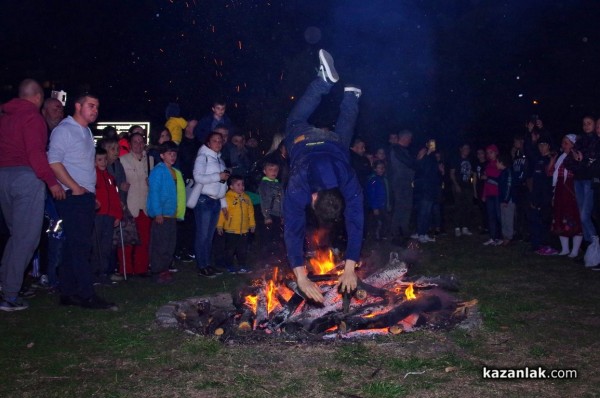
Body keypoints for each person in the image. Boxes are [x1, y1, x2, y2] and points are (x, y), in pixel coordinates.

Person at [283, 49, 363, 303]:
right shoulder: (299, 186)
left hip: (334, 143)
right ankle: (324, 82)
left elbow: (356, 219)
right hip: (303, 140)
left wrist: (350, 267)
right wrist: (301, 276)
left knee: (344, 139)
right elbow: (292, 230)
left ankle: (350, 95)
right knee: (294, 119)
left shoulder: (347, 179)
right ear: (315, 198)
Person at [0, 79, 65, 311]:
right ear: (38, 97)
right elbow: (35, 153)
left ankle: (6, 285)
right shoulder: (33, 118)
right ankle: (9, 295)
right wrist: (51, 183)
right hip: (26, 179)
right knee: (27, 239)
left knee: (16, 235)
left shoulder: (5, 116)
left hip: (3, 178)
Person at [48, 93, 116, 309]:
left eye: (97, 106)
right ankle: (87, 294)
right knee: (81, 246)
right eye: (91, 105)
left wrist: (91, 195)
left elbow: (85, 166)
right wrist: (75, 187)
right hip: (72, 196)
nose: (95, 110)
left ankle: (67, 293)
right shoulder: (65, 130)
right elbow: (53, 161)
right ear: (77, 106)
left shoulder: (86, 132)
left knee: (73, 246)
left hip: (85, 197)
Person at [147, 141, 186, 284]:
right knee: (160, 244)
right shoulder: (158, 171)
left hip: (172, 214)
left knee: (170, 244)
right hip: (162, 215)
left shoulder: (176, 172)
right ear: (162, 155)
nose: (173, 156)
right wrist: (158, 212)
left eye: (174, 154)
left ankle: (164, 269)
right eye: (170, 153)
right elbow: (154, 193)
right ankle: (157, 271)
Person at [191, 132, 229, 278]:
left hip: (215, 201)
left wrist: (223, 202)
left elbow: (222, 184)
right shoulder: (203, 157)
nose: (218, 143)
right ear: (208, 142)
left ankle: (207, 264)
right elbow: (198, 177)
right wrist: (218, 176)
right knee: (202, 234)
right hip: (204, 200)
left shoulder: (220, 160)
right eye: (215, 141)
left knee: (209, 235)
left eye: (220, 141)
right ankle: (202, 265)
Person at [119, 132, 154, 276]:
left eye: (141, 142)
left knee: (144, 240)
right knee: (127, 241)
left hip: (144, 205)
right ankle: (126, 270)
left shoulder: (150, 160)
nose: (138, 145)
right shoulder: (123, 160)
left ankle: (141, 269)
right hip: (129, 204)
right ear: (130, 144)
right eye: (135, 142)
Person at [565, 116, 599, 247]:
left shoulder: (596, 141)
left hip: (589, 181)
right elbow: (569, 161)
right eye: (584, 123)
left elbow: (590, 163)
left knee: (585, 215)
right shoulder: (580, 141)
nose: (586, 126)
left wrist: (580, 161)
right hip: (578, 180)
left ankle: (595, 246)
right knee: (581, 215)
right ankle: (588, 248)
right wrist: (579, 162)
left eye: (589, 123)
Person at [91, 147, 122, 285]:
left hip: (109, 216)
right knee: (96, 245)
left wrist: (118, 214)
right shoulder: (92, 176)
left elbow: (115, 197)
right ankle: (94, 273)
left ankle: (103, 273)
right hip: (98, 215)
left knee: (106, 246)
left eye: (104, 159)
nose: (103, 162)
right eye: (99, 160)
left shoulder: (110, 177)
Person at [550, 134, 583, 257]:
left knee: (573, 217)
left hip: (571, 189)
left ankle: (575, 250)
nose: (563, 145)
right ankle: (565, 249)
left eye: (566, 143)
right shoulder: (560, 157)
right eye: (563, 142)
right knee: (560, 215)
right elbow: (553, 173)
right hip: (560, 189)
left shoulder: (576, 156)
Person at [216, 175, 255, 273]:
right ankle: (229, 265)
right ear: (231, 187)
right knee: (230, 249)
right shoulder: (227, 198)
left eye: (242, 184)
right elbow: (222, 212)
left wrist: (252, 224)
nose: (241, 187)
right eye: (238, 185)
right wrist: (219, 225)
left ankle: (242, 265)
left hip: (244, 229)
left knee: (242, 249)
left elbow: (251, 212)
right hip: (231, 229)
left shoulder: (246, 198)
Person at [529, 136, 557, 255]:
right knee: (536, 220)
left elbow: (549, 174)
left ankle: (546, 245)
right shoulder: (537, 159)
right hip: (536, 195)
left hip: (547, 195)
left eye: (544, 145)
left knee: (546, 221)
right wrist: (532, 195)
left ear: (549, 146)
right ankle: (538, 245)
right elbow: (533, 179)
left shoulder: (552, 158)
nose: (542, 147)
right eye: (540, 145)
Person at [387, 130, 416, 243]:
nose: (410, 141)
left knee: (407, 207)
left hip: (406, 183)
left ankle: (404, 232)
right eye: (409, 138)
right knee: (400, 208)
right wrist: (418, 159)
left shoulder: (403, 150)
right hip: (399, 183)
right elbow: (409, 163)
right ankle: (395, 234)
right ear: (405, 138)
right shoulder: (396, 149)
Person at [412, 141, 441, 243]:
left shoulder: (432, 158)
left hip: (431, 188)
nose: (432, 146)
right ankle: (420, 234)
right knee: (423, 212)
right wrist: (426, 153)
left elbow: (434, 173)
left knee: (427, 212)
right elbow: (419, 166)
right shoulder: (423, 157)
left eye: (433, 144)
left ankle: (423, 233)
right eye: (430, 144)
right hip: (423, 189)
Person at [258, 161, 284, 256]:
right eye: (270, 170)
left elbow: (282, 200)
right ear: (264, 171)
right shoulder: (264, 185)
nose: (273, 172)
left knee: (277, 237)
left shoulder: (279, 184)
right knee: (268, 238)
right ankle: (266, 259)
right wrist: (266, 216)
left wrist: (282, 215)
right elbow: (263, 201)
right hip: (269, 215)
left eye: (276, 170)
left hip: (278, 215)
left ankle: (276, 257)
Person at [449, 143, 475, 237]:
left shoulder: (470, 160)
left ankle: (465, 227)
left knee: (467, 207)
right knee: (458, 206)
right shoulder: (456, 159)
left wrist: (472, 182)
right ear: (461, 149)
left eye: (468, 148)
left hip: (468, 186)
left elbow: (471, 173)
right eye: (465, 148)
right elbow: (451, 174)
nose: (467, 150)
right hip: (458, 185)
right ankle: (457, 228)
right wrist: (456, 185)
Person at [481, 145, 502, 246]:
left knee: (499, 216)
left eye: (491, 152)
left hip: (497, 193)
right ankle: (493, 237)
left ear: (496, 152)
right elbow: (486, 181)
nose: (489, 154)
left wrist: (488, 177)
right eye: (488, 153)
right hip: (489, 194)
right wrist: (484, 194)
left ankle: (500, 237)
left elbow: (499, 179)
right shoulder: (488, 165)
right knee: (491, 216)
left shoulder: (499, 163)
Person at [365, 160, 391, 241]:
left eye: (382, 168)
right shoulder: (373, 180)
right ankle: (376, 237)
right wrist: (374, 207)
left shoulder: (384, 179)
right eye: (379, 168)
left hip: (383, 205)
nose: (381, 170)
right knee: (377, 222)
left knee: (385, 221)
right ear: (375, 169)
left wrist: (388, 204)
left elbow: (387, 193)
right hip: (377, 206)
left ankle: (382, 236)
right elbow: (371, 194)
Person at [496, 153, 515, 245]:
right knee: (503, 218)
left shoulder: (508, 172)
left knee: (508, 218)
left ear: (501, 162)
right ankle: (505, 236)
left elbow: (508, 186)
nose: (496, 164)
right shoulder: (502, 173)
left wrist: (506, 200)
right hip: (502, 199)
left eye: (497, 162)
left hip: (508, 200)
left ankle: (509, 237)